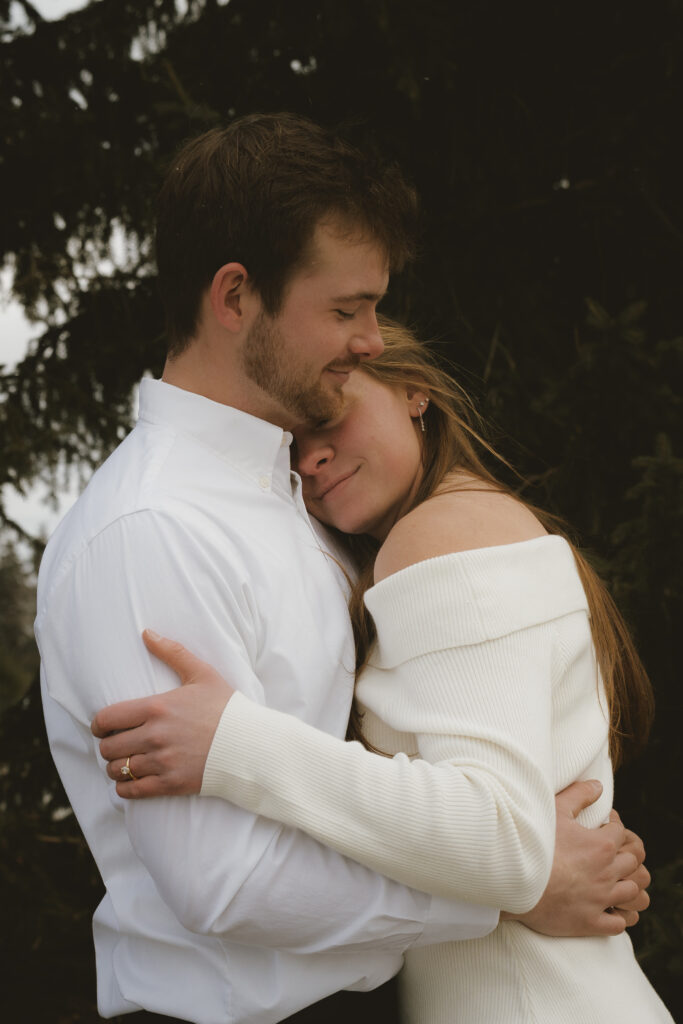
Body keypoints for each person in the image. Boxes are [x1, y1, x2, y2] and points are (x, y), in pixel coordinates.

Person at [38, 113, 647, 1024]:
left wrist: (505, 866)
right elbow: (226, 882)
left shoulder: (310, 504)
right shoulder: (152, 528)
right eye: (345, 308)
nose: (372, 336)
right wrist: (509, 888)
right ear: (235, 296)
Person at [93, 318, 672, 1023]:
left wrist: (234, 741)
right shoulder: (435, 538)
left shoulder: (439, 534)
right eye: (290, 448)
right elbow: (514, 841)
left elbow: (499, 829)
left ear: (414, 393)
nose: (310, 461)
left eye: (329, 419)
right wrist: (527, 882)